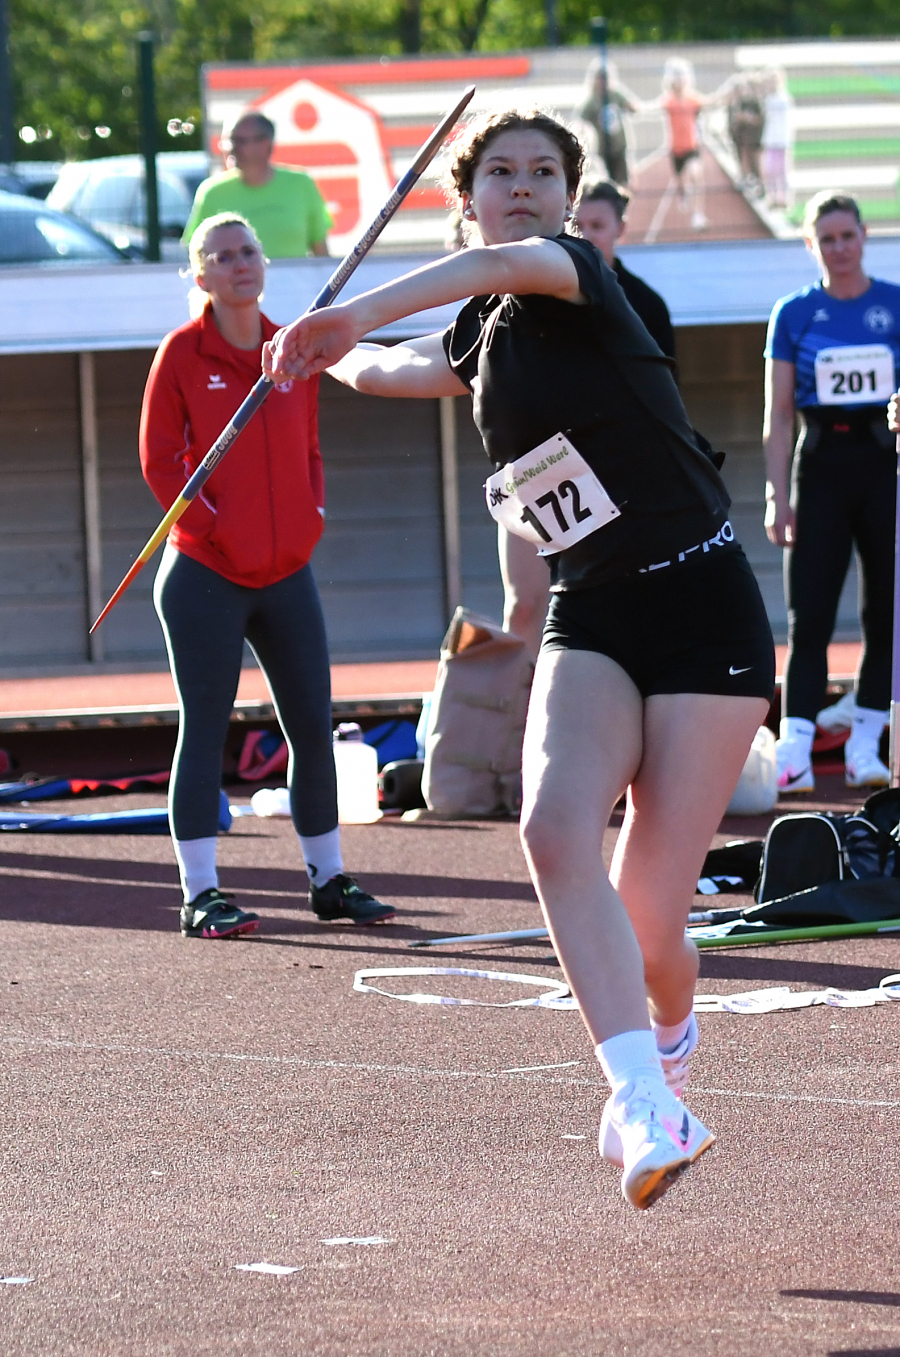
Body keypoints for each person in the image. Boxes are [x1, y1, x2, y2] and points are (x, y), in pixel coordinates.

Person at [263, 109, 774, 1210]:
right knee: (550, 831)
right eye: (503, 173)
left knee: (649, 929)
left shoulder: (573, 272)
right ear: (469, 192)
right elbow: (397, 370)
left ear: (566, 196)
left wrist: (350, 305)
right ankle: (642, 1098)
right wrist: (319, 348)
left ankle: (672, 1036)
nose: (526, 187)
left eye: (545, 171)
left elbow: (495, 266)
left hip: (699, 603)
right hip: (592, 614)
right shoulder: (481, 333)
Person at [141, 212, 393, 938]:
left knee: (313, 725)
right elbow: (162, 463)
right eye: (220, 256)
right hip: (206, 576)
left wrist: (311, 514)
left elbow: (308, 446)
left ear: (263, 261)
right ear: (199, 276)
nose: (238, 263)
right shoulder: (182, 354)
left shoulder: (292, 351)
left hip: (287, 572)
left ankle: (328, 878)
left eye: (247, 250)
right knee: (206, 727)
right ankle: (200, 893)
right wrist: (213, 529)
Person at [763, 191, 900, 792]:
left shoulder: (894, 306)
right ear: (811, 246)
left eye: (848, 236)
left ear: (864, 237)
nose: (839, 248)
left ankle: (867, 745)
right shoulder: (793, 313)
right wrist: (776, 495)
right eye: (827, 239)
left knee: (885, 612)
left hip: (884, 466)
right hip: (819, 465)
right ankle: (794, 748)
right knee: (809, 612)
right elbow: (778, 413)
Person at [182, 111, 331, 260]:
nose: (230, 148)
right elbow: (196, 254)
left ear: (265, 144)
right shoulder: (211, 192)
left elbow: (320, 250)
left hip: (295, 282)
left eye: (239, 141)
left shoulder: (301, 184)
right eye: (227, 141)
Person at [575, 179, 675, 359]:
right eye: (577, 226)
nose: (585, 237)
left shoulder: (648, 305)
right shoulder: (546, 297)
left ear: (620, 229)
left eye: (597, 226)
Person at [575, 58, 637, 187]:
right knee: (610, 183)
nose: (602, 82)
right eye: (600, 79)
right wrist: (581, 133)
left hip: (619, 145)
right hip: (604, 147)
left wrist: (631, 107)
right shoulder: (592, 101)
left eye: (605, 78)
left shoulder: (614, 95)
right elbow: (581, 119)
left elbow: (631, 107)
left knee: (623, 181)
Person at [761, 69, 793, 210]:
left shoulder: (784, 98)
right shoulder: (767, 99)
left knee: (783, 171)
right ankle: (772, 197)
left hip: (782, 140)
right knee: (770, 170)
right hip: (771, 139)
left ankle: (784, 198)